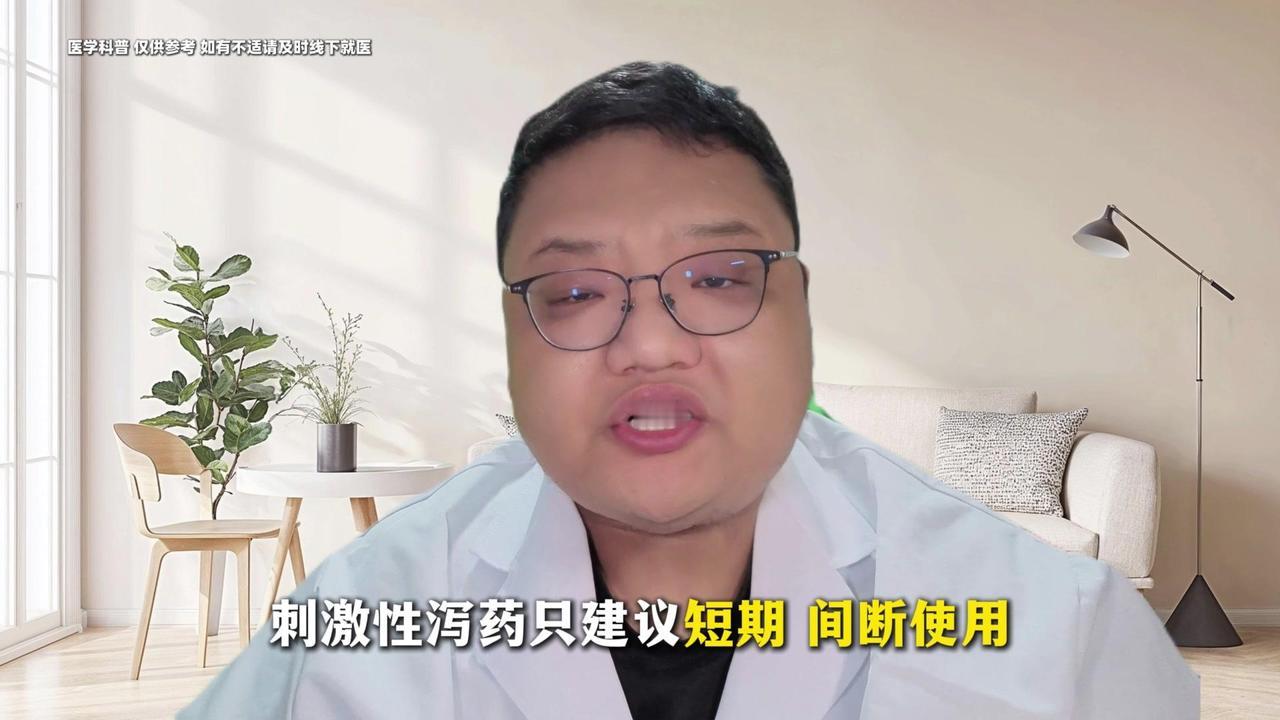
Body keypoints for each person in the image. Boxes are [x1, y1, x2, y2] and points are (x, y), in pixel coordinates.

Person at [179, 61, 1198, 719]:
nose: (652, 345)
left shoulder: (1060, 637)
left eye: (716, 278)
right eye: (577, 292)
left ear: (799, 314)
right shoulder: (351, 629)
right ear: (516, 342)